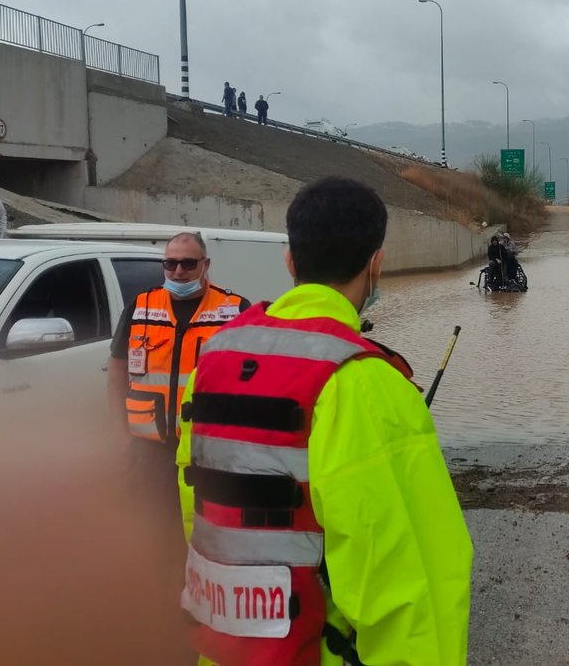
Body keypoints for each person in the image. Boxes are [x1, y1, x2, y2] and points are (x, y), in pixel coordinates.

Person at [176, 177, 471, 665]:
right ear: (376, 264)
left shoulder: (214, 358)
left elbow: (194, 508)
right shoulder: (363, 382)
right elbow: (410, 586)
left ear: (291, 262)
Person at [106, 232, 249, 513]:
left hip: (207, 451)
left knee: (203, 527)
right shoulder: (140, 307)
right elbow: (116, 374)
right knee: (150, 529)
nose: (178, 271)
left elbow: (251, 382)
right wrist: (120, 436)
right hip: (149, 450)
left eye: (188, 263)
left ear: (205, 264)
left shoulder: (233, 311)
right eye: (170, 264)